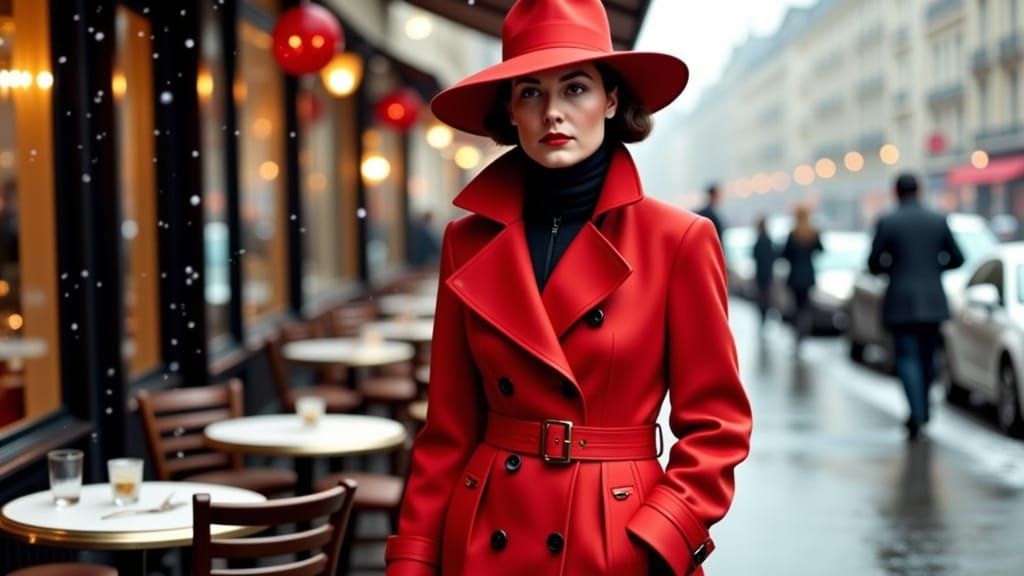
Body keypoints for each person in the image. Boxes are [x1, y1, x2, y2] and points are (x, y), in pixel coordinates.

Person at [384, 1, 752, 575]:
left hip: (616, 540)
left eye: (575, 88)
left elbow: (717, 425)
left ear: (611, 100)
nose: (552, 112)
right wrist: (412, 558)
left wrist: (664, 535)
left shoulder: (678, 239)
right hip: (487, 534)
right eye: (530, 92)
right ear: (511, 110)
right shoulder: (466, 240)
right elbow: (447, 430)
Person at [868, 173, 963, 440]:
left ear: (895, 192)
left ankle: (917, 412)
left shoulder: (887, 221)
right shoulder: (937, 220)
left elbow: (873, 263)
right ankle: (923, 407)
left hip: (900, 300)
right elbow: (958, 258)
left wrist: (893, 269)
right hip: (932, 300)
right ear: (919, 191)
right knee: (928, 357)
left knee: (907, 357)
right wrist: (934, 269)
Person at [780, 204, 823, 348]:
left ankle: (798, 333)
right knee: (805, 305)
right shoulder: (813, 233)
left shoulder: (793, 234)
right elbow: (821, 250)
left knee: (797, 305)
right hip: (808, 275)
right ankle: (804, 331)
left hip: (795, 275)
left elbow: (785, 254)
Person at [751, 215, 777, 330]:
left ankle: (763, 318)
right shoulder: (768, 240)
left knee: (762, 297)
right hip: (767, 273)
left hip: (761, 273)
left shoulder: (760, 240)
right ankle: (764, 318)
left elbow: (754, 255)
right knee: (766, 296)